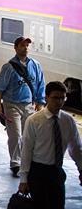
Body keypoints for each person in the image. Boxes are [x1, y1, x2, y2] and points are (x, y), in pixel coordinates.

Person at [18, 81, 82, 209]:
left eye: (62, 98)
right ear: (47, 97)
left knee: (58, 204)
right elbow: (26, 150)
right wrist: (24, 179)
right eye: (55, 98)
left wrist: (81, 168)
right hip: (37, 172)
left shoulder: (68, 121)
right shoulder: (34, 121)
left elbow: (76, 148)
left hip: (56, 171)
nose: (59, 102)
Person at [0, 36, 46, 177]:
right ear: (16, 48)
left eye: (27, 45)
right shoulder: (9, 67)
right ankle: (16, 162)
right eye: (22, 45)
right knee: (16, 134)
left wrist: (40, 103)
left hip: (29, 105)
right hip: (12, 105)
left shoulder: (35, 65)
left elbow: (40, 84)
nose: (26, 48)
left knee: (28, 135)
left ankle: (27, 161)